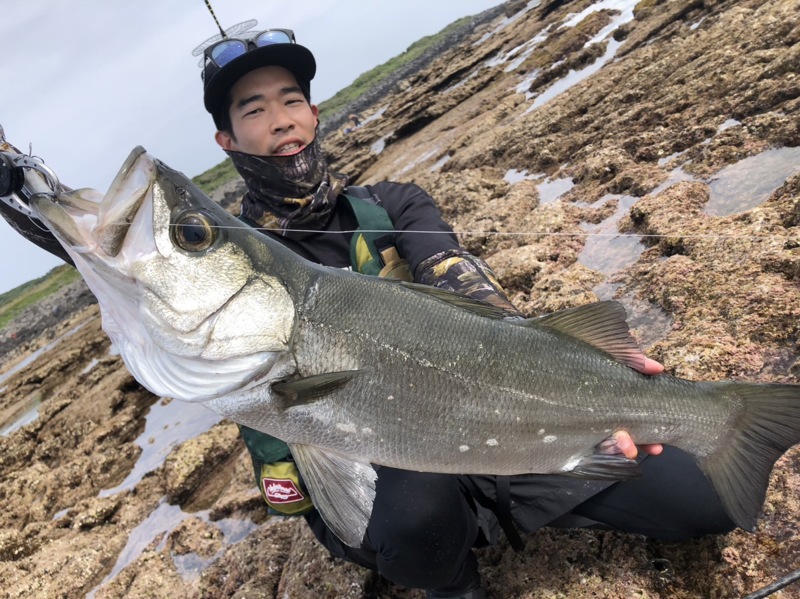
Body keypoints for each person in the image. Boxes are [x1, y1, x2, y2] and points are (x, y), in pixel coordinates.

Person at [0, 27, 735, 599]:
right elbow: (132, 264)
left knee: (699, 502)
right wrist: (26, 194)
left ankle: (519, 498)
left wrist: (593, 373)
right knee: (417, 513)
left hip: (487, 424)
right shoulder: (238, 246)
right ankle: (453, 582)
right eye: (253, 110)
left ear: (314, 112)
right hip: (365, 456)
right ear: (227, 140)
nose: (280, 120)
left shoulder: (395, 207)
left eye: (290, 99)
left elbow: (472, 293)